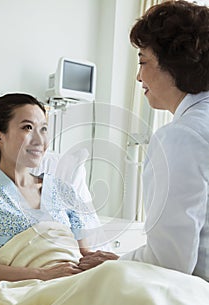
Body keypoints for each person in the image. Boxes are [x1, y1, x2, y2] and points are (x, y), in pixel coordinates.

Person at [79, 0, 209, 281]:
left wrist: (114, 265)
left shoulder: (180, 137)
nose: (138, 76)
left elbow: (170, 263)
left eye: (143, 62)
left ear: (174, 65)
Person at [0, 93, 97, 290]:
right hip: (25, 294)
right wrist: (42, 276)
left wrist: (108, 262)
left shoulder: (63, 191)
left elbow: (84, 257)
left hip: (74, 285)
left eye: (43, 129)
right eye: (27, 128)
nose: (40, 139)